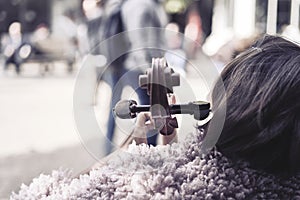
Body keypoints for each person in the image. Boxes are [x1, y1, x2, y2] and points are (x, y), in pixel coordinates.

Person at [11, 35, 300, 199]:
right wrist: (168, 154)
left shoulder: (159, 186)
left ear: (232, 109)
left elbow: (47, 194)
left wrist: (127, 154)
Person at [86, 0, 168, 154]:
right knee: (150, 109)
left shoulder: (125, 4)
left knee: (115, 106)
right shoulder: (141, 5)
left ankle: (108, 149)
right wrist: (150, 68)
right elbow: (140, 39)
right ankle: (148, 152)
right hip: (137, 65)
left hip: (121, 63)